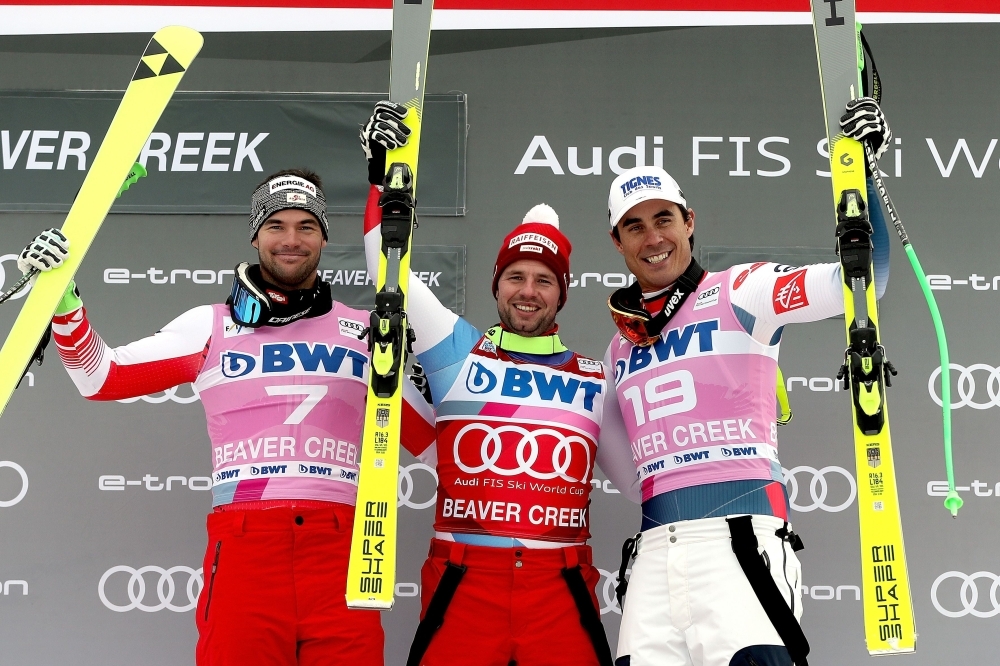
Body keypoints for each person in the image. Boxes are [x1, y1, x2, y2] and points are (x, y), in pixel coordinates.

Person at [19, 168, 437, 666]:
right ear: (255, 233)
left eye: (306, 226)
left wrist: (417, 372)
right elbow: (102, 378)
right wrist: (63, 303)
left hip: (343, 552)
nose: (291, 240)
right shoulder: (210, 326)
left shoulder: (364, 332)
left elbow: (431, 443)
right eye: (276, 225)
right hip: (245, 550)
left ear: (324, 236)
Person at [593, 97, 894, 666]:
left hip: (739, 542)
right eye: (634, 226)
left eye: (664, 219)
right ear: (618, 242)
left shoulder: (742, 290)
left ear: (689, 222)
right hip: (653, 553)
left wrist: (865, 173)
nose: (652, 237)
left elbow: (866, 279)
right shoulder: (619, 346)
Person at [360, 102, 614, 666]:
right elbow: (387, 256)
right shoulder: (457, 348)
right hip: (463, 580)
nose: (528, 290)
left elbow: (645, 470)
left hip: (561, 586)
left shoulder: (598, 378)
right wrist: (384, 178)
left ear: (561, 293)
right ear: (497, 286)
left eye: (544, 280)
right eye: (516, 277)